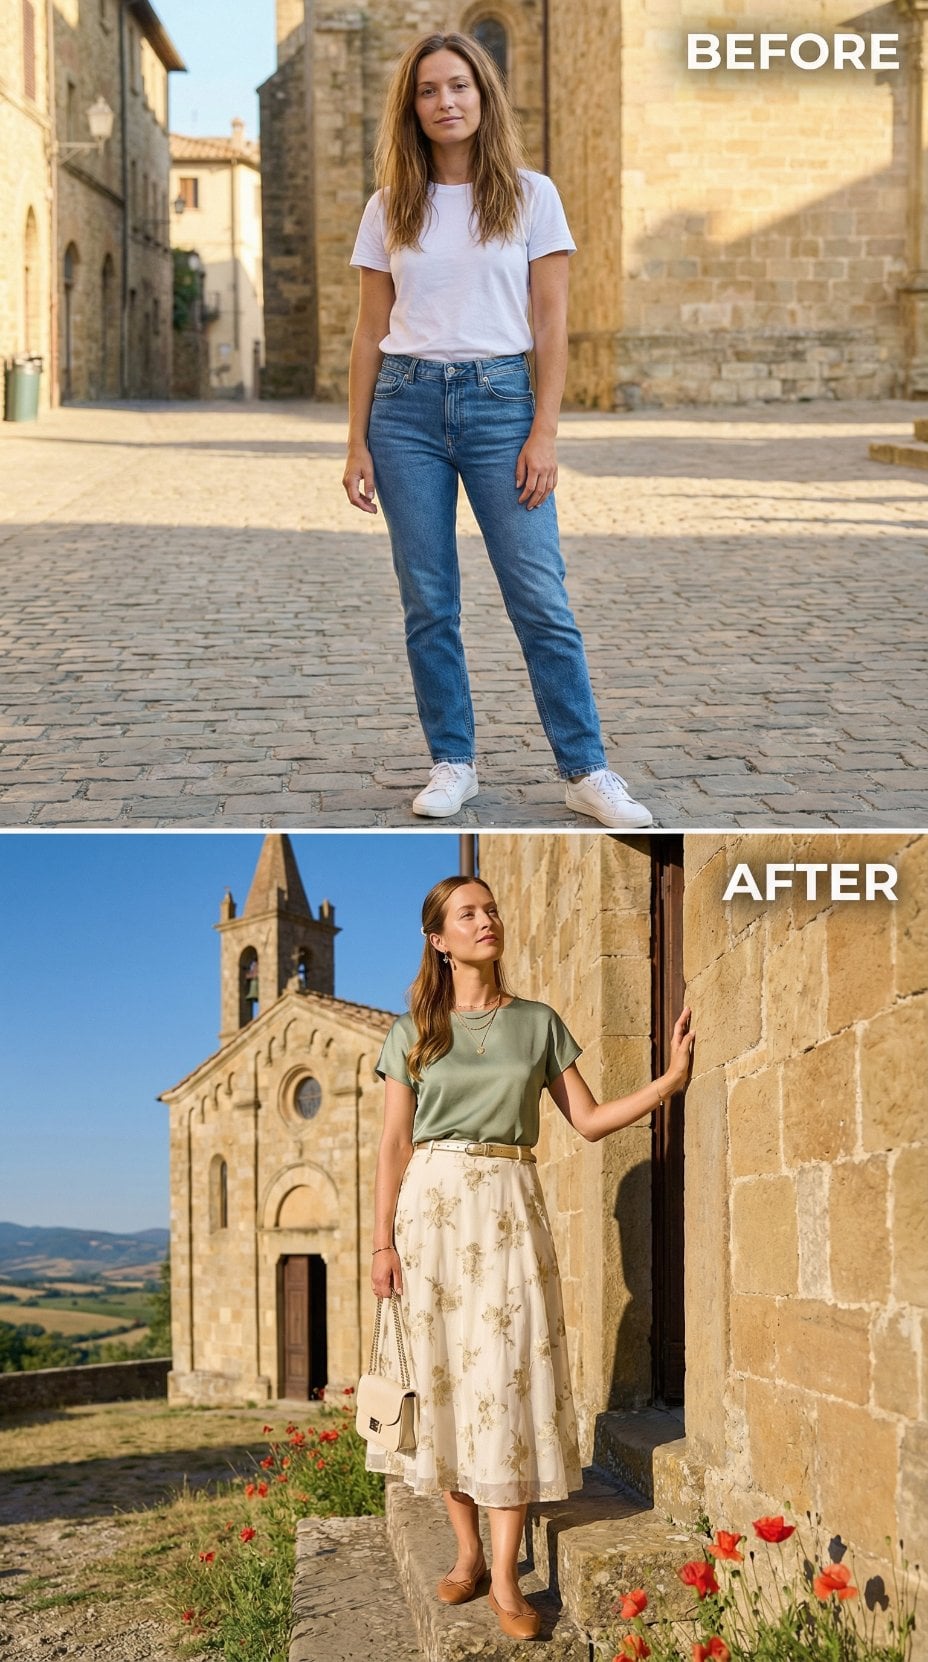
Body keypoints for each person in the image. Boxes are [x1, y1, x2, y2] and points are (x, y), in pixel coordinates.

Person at [367, 874, 694, 1640]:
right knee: (443, 1377)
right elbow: (390, 1146)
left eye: (491, 909)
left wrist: (668, 1083)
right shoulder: (412, 1030)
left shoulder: (539, 1023)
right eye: (468, 913)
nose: (488, 920)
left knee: (507, 1379)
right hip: (431, 1214)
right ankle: (467, 1554)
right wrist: (381, 1241)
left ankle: (508, 1580)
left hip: (510, 1206)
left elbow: (585, 1120)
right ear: (439, 940)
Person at [343, 32, 654, 831]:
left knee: (539, 596)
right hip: (405, 411)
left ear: (484, 96)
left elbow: (550, 322)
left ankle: (585, 768)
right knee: (429, 601)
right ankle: (453, 761)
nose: (444, 102)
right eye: (427, 91)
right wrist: (356, 443)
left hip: (499, 405)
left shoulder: (529, 195)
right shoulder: (389, 206)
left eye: (458, 87)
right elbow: (369, 330)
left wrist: (543, 431)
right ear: (410, 108)